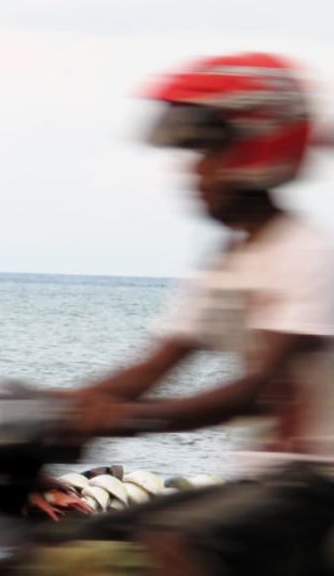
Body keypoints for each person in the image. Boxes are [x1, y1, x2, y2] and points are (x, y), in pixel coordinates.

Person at [48, 53, 334, 576]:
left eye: (206, 152)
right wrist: (56, 405)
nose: (193, 171)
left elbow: (256, 389)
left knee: (173, 542)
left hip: (316, 483)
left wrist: (128, 420)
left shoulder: (303, 252)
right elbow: (155, 365)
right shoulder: (229, 261)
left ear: (256, 148)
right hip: (264, 484)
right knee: (78, 537)